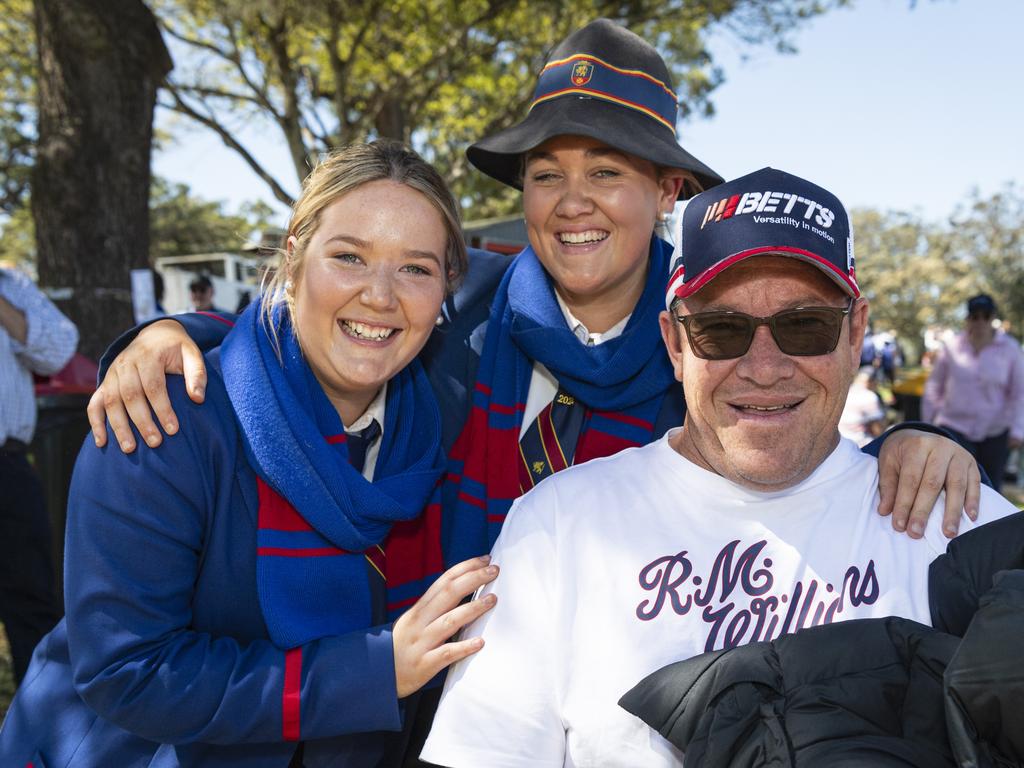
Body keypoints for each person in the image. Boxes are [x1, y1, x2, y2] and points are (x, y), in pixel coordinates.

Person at [88, 19, 982, 556]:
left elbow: (794, 413)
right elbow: (308, 333)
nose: (572, 203)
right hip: (432, 681)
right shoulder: (455, 303)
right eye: (547, 174)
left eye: (608, 172)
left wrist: (917, 438)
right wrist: (173, 335)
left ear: (668, 191)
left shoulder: (707, 338)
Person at [420, 168, 1019, 767]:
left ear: (856, 331)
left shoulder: (959, 520)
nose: (763, 367)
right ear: (675, 343)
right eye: (720, 330)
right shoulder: (558, 525)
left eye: (804, 326)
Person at [0, 141, 498, 768]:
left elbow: (575, 265)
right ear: (293, 259)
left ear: (447, 286)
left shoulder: (438, 413)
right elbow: (126, 669)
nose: (380, 295)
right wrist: (373, 671)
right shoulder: (163, 420)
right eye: (348, 257)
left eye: (416, 269)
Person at [0, 266, 78, 684]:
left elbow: (57, 350)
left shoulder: (12, 286)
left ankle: (39, 721)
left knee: (30, 598)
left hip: (8, 466)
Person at [923, 293, 1024, 491]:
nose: (980, 322)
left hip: (995, 431)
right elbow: (934, 386)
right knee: (952, 486)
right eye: (975, 316)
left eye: (985, 316)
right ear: (968, 318)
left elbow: (1019, 393)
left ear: (992, 318)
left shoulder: (1010, 349)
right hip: (954, 428)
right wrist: (928, 424)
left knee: (990, 488)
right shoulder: (952, 347)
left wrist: (1018, 429)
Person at [839, 365, 886, 446]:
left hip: (839, 440)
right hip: (858, 442)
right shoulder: (869, 396)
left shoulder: (844, 391)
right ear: (872, 381)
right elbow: (877, 428)